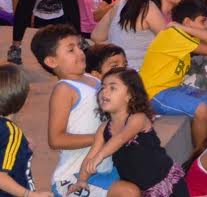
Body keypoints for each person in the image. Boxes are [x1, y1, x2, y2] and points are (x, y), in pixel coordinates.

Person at [29, 25, 123, 196]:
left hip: (104, 166)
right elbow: (56, 139)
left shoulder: (92, 79)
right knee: (128, 192)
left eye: (80, 46)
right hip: (76, 174)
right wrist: (101, 137)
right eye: (71, 50)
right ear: (51, 61)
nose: (80, 52)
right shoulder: (65, 89)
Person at [69, 67, 188, 197]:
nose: (104, 92)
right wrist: (82, 180)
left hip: (167, 185)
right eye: (103, 87)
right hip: (141, 190)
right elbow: (90, 157)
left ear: (129, 95)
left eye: (112, 88)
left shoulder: (138, 118)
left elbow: (120, 138)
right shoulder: (103, 129)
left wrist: (100, 156)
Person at [138, 0, 207, 149]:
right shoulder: (174, 33)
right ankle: (200, 155)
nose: (206, 26)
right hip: (154, 92)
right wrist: (181, 27)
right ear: (187, 22)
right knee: (201, 110)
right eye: (202, 21)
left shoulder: (182, 33)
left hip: (173, 88)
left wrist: (185, 27)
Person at [0, 64, 47, 197]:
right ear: (24, 99)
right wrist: (29, 194)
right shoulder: (11, 133)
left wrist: (23, 147)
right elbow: (1, 176)